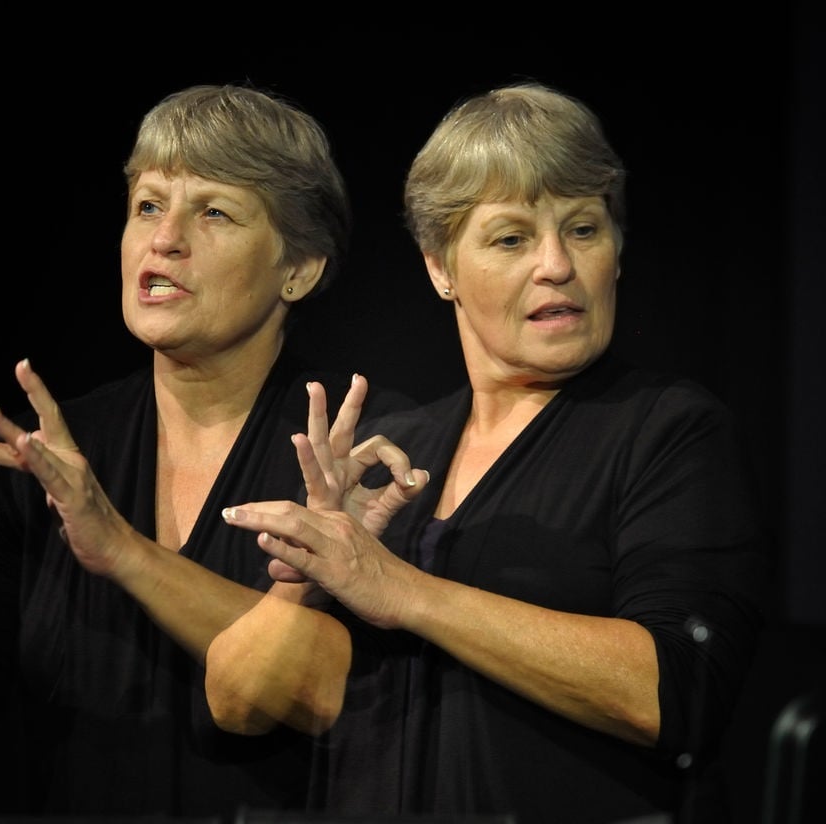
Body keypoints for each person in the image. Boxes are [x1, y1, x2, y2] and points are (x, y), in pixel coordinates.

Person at [0, 83, 422, 820]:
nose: (165, 239)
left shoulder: (368, 454)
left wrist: (121, 547)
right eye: (148, 206)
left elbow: (342, 698)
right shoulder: (44, 453)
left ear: (299, 269)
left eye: (215, 211)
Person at [212, 82, 771, 824]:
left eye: (582, 229)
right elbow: (238, 702)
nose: (556, 265)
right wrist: (311, 572)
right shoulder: (397, 449)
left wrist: (402, 589)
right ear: (441, 268)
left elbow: (678, 690)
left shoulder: (669, 431)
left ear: (618, 250)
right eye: (511, 238)